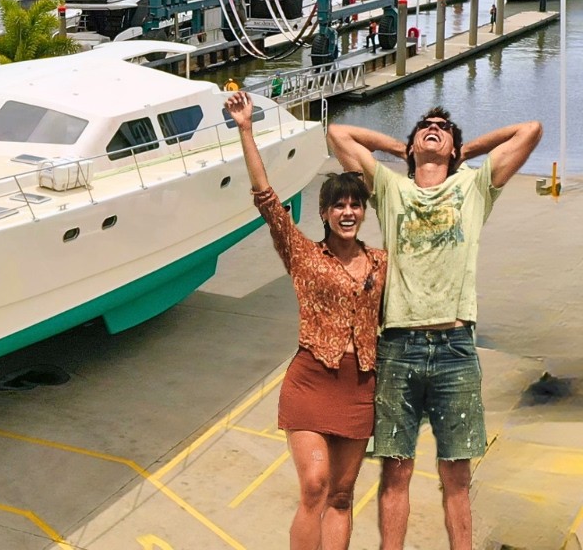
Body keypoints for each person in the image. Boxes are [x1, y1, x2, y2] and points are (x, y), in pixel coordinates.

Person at [327, 109, 542, 549]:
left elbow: (530, 129)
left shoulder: (474, 187)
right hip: (399, 344)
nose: (434, 129)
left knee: (456, 472)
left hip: (455, 346)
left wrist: (466, 152)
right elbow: (337, 133)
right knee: (397, 469)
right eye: (426, 125)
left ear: (454, 148)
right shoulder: (391, 189)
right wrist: (399, 149)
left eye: (444, 128)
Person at [226, 91, 386, 549]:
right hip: (312, 381)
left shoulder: (381, 262)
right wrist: (246, 129)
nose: (348, 212)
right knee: (315, 484)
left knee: (341, 495)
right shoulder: (303, 255)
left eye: (355, 204)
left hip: (361, 387)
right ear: (324, 213)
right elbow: (266, 199)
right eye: (338, 205)